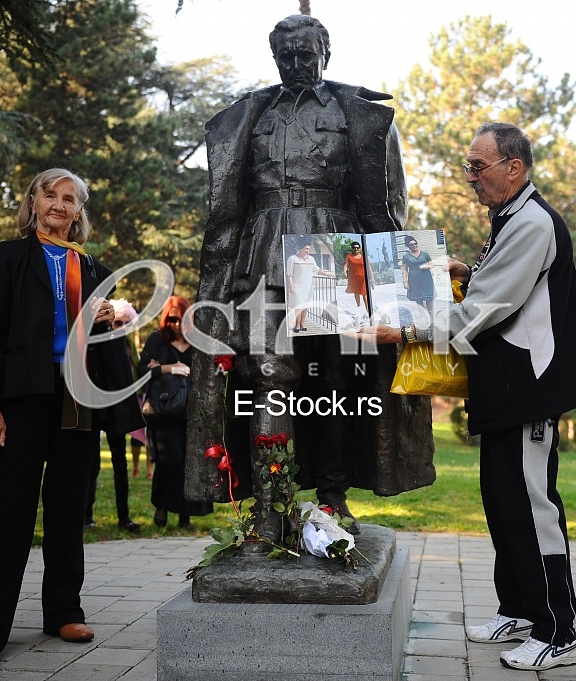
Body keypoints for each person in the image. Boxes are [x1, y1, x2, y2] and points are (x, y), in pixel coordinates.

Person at [185, 14, 435, 552]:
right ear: (274, 57)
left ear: (326, 52)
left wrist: (402, 295)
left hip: (331, 251)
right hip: (263, 251)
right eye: (286, 56)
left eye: (306, 54)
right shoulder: (248, 114)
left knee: (333, 383)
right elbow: (229, 206)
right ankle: (270, 506)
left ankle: (332, 497)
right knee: (267, 376)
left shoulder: (360, 115)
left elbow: (388, 206)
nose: (297, 65)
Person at [356, 123, 576, 671]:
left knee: (533, 508)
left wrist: (407, 329)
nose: (471, 178)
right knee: (502, 502)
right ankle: (519, 609)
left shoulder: (532, 221)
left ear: (515, 167)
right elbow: (497, 285)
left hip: (529, 389)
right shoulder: (511, 218)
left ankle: (558, 632)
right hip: (502, 387)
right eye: (469, 167)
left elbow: (487, 309)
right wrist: (469, 268)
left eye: (477, 166)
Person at [0, 168, 136, 675]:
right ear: (34, 201)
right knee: (7, 512)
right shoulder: (11, 256)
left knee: (67, 508)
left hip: (76, 398)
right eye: (50, 195)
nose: (59, 205)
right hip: (21, 397)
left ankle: (64, 610)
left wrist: (107, 321)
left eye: (69, 199)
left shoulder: (91, 264)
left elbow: (102, 341)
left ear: (79, 211)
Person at [139, 296, 212, 530]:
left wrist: (158, 367)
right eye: (171, 318)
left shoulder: (198, 343)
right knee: (170, 459)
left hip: (192, 412)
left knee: (189, 462)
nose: (176, 324)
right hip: (164, 412)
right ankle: (161, 506)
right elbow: (141, 372)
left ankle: (184, 515)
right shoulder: (156, 341)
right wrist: (170, 368)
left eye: (181, 319)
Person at [84, 299, 141, 533]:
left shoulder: (128, 345)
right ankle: (86, 515)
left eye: (126, 323)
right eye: (118, 322)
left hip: (118, 405)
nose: (121, 326)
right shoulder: (96, 339)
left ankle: (123, 516)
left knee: (120, 461)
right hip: (95, 404)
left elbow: (135, 374)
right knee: (91, 462)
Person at [285, 239, 329, 333]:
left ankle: (302, 324)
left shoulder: (311, 259)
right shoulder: (292, 259)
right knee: (298, 306)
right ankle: (297, 325)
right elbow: (289, 274)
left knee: (305, 306)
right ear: (300, 248)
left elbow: (317, 270)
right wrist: (291, 286)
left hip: (308, 287)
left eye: (309, 249)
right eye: (306, 249)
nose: (308, 251)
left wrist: (327, 275)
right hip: (297, 287)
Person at [401, 234, 436, 316]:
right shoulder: (406, 257)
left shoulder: (425, 254)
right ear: (408, 246)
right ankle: (424, 317)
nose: (414, 246)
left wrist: (427, 266)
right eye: (411, 245)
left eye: (415, 244)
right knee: (419, 300)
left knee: (429, 298)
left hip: (426, 278)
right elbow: (404, 269)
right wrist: (405, 282)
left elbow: (432, 264)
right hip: (414, 280)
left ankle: (432, 317)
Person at [343, 241, 374, 312]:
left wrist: (372, 278)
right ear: (352, 248)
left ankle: (367, 309)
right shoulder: (349, 256)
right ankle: (359, 307)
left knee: (364, 293)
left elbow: (369, 267)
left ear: (360, 248)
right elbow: (346, 265)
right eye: (354, 247)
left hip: (363, 278)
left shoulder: (364, 257)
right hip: (353, 277)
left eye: (358, 247)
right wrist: (344, 271)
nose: (356, 249)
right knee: (356, 292)